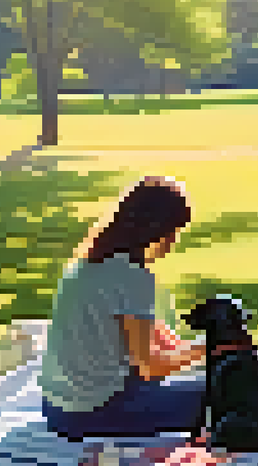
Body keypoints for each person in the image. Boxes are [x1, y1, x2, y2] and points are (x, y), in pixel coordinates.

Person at [39, 175, 210, 442]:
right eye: (175, 231)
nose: (174, 240)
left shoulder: (86, 263)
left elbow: (145, 333)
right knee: (226, 393)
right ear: (160, 230)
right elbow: (150, 367)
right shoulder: (133, 276)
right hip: (94, 413)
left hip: (55, 407)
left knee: (195, 377)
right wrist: (208, 348)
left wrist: (183, 351)